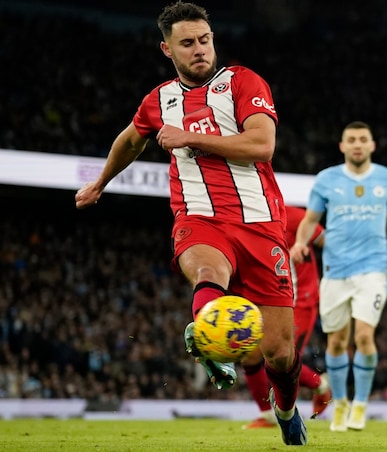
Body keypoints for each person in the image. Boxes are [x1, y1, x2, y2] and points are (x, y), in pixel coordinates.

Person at [74, 2, 307, 445]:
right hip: (198, 217)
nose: (199, 49)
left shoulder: (242, 81)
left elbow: (262, 144)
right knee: (207, 271)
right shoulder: (159, 100)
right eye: (187, 43)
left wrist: (190, 137)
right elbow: (130, 140)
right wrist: (100, 182)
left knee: (280, 354)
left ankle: (286, 409)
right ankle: (207, 338)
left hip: (260, 224)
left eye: (204, 40)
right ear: (167, 49)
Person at [289, 121, 387, 432]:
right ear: (342, 146)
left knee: (364, 336)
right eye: (351, 140)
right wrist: (301, 242)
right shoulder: (327, 179)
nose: (357, 144)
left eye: (363, 139)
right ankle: (341, 402)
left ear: (372, 145)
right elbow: (310, 218)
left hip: (374, 267)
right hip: (335, 270)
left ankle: (360, 405)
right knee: (337, 341)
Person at [242, 205, 332, 429]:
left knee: (281, 355)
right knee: (250, 355)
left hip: (300, 300)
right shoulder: (245, 219)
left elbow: (327, 242)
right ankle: (267, 415)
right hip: (268, 298)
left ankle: (320, 386)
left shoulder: (294, 216)